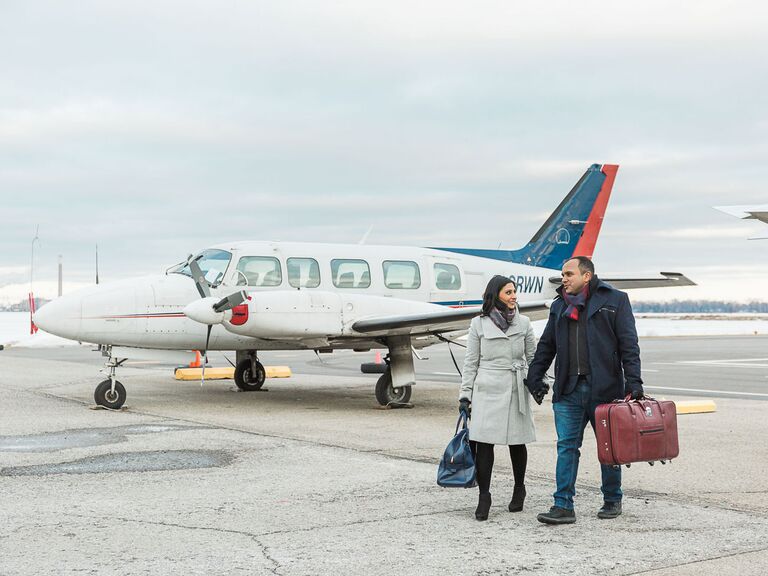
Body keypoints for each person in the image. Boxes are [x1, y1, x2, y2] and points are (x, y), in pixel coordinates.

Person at [525, 256, 644, 524]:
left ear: (586, 276)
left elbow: (629, 345)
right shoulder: (559, 306)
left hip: (605, 389)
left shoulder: (615, 300)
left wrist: (634, 384)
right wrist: (534, 377)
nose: (563, 279)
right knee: (567, 447)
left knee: (609, 447)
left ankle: (612, 499)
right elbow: (546, 345)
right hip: (568, 389)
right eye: (563, 274)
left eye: (568, 274)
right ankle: (563, 505)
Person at [458, 275, 542, 521]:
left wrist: (539, 383)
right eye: (508, 292)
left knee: (518, 442)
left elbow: (534, 358)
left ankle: (519, 488)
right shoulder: (478, 324)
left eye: (515, 291)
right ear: (496, 295)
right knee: (484, 443)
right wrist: (465, 395)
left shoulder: (524, 323)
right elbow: (471, 362)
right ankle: (484, 495)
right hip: (487, 388)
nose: (514, 296)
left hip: (516, 387)